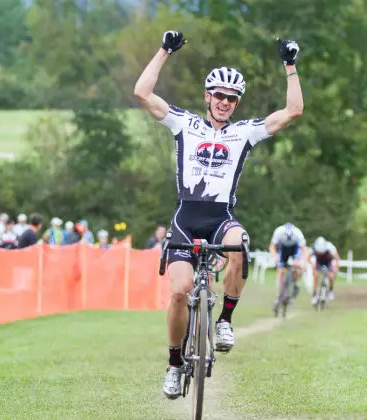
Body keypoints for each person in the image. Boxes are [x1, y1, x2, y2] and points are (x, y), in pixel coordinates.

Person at [134, 30, 303, 398]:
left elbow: (293, 112)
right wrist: (164, 50)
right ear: (207, 96)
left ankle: (225, 320)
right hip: (186, 217)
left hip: (221, 217)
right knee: (179, 292)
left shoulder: (243, 133)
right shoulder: (185, 123)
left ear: (237, 103)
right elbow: (142, 94)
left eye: (232, 98)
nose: (226, 102)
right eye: (220, 95)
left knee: (239, 246)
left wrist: (290, 65)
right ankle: (175, 364)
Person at [269, 223, 308, 304]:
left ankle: (294, 282)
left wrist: (302, 262)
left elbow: (304, 250)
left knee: (299, 267)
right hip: (283, 249)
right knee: (280, 271)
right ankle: (279, 296)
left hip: (295, 249)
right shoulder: (278, 231)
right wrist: (275, 257)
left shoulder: (298, 233)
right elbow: (272, 246)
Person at [310, 236, 340, 302]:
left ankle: (331, 290)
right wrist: (312, 265)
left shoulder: (330, 247)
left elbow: (337, 258)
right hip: (319, 262)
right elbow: (308, 257)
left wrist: (336, 268)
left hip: (328, 261)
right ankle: (314, 294)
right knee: (315, 276)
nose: (321, 253)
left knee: (331, 276)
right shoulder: (313, 247)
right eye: (319, 252)